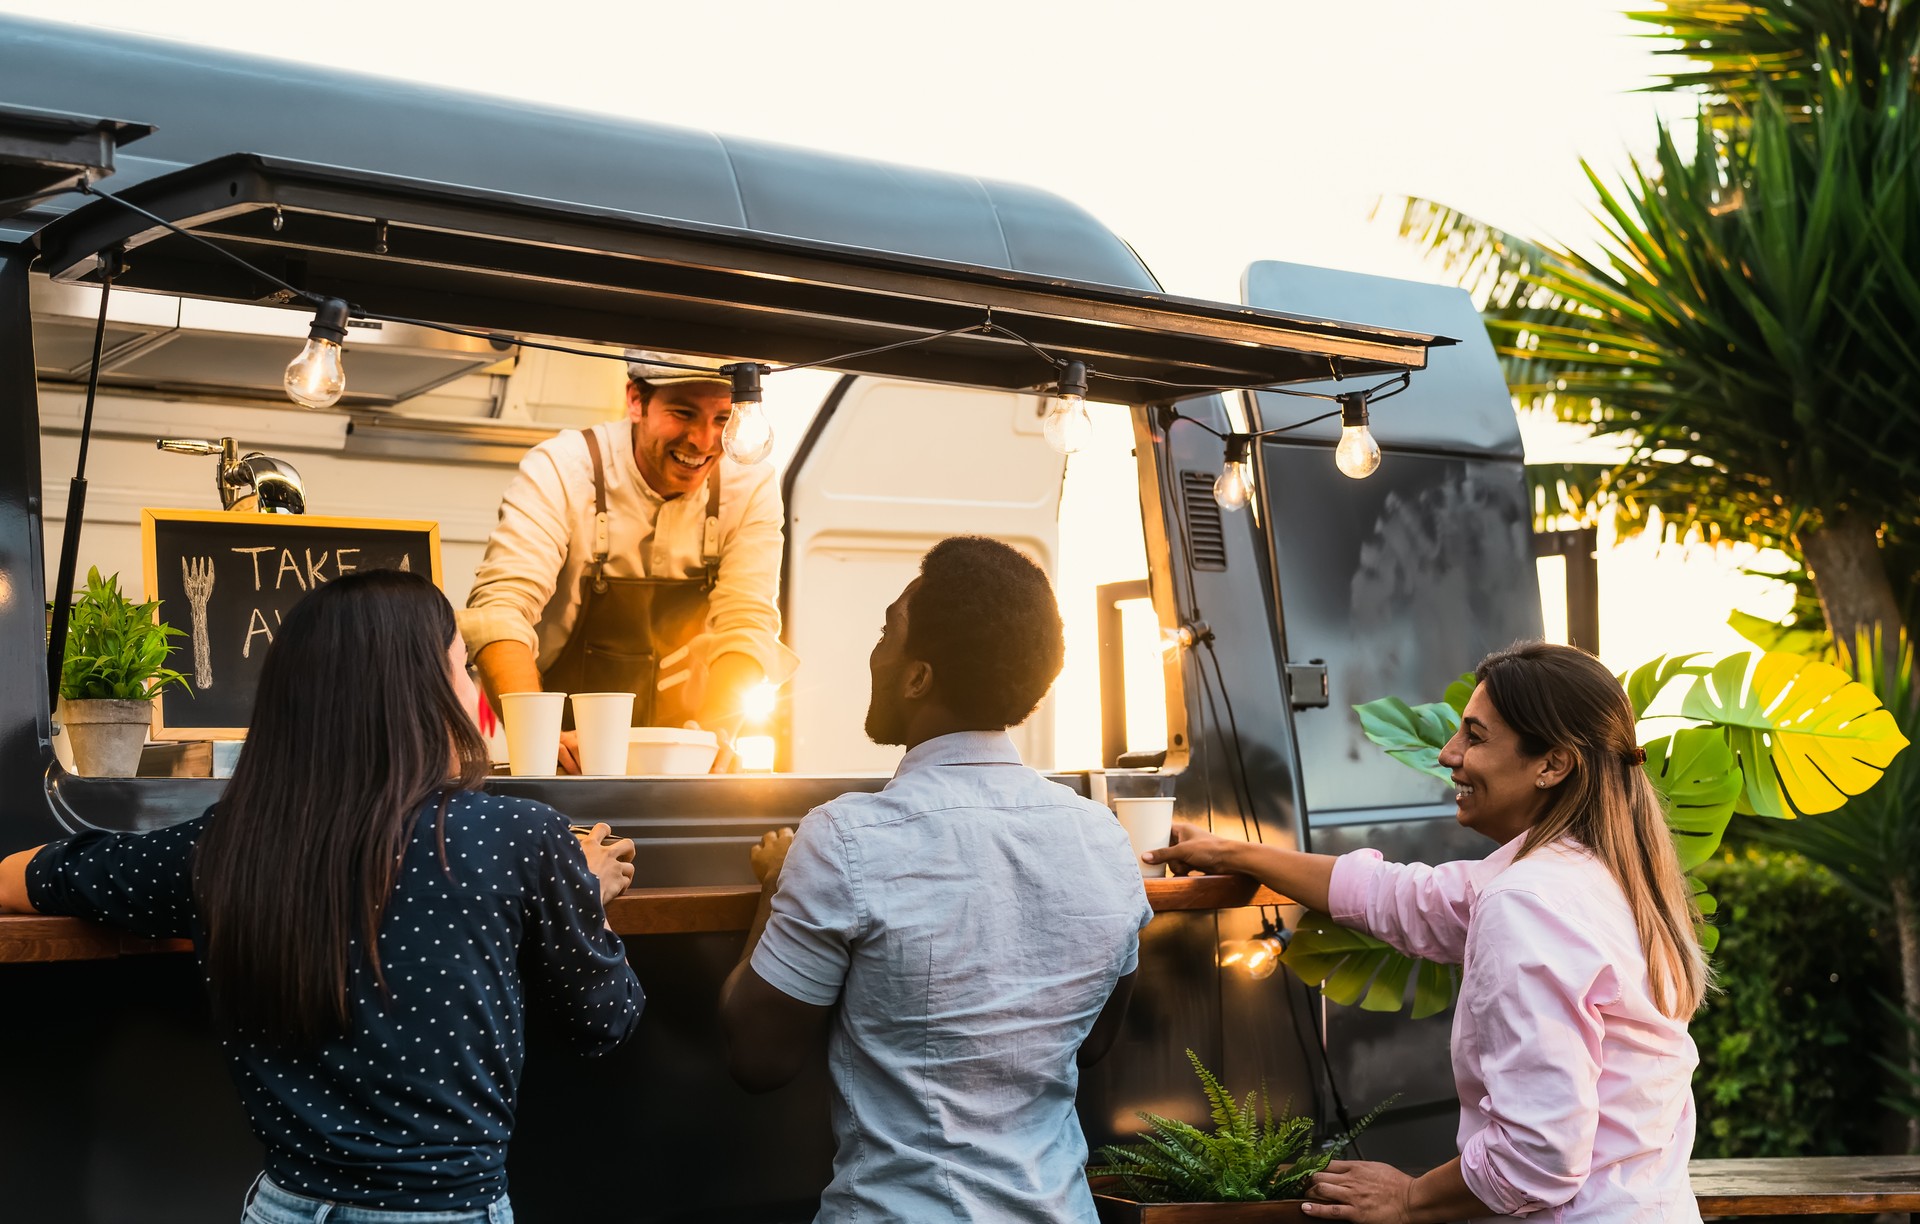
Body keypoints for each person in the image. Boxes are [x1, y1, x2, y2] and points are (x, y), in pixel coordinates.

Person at [0, 569, 645, 1223]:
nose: (471, 697)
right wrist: (581, 893)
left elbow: (19, 878)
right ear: (422, 693)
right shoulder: (520, 836)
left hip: (283, 1208)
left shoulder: (220, 845)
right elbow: (604, 1021)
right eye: (462, 671)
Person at [1149, 641, 1705, 1223]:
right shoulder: (1606, 871)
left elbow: (1540, 1155)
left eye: (1476, 736)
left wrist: (1409, 1199)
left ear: (1553, 764)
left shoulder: (1527, 902)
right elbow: (1400, 898)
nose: (1447, 753)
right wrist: (1233, 851)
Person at [717, 535, 1153, 1223]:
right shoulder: (1104, 838)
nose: (875, 651)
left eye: (888, 630)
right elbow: (1093, 1042)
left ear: (918, 678)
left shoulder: (847, 838)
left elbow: (758, 1059)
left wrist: (775, 886)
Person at [460, 350, 798, 772]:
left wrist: (717, 733)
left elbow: (745, 622)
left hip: (683, 749)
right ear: (636, 400)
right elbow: (501, 610)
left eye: (721, 418)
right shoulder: (563, 467)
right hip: (562, 745)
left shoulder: (751, 484)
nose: (703, 440)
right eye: (683, 413)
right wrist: (539, 740)